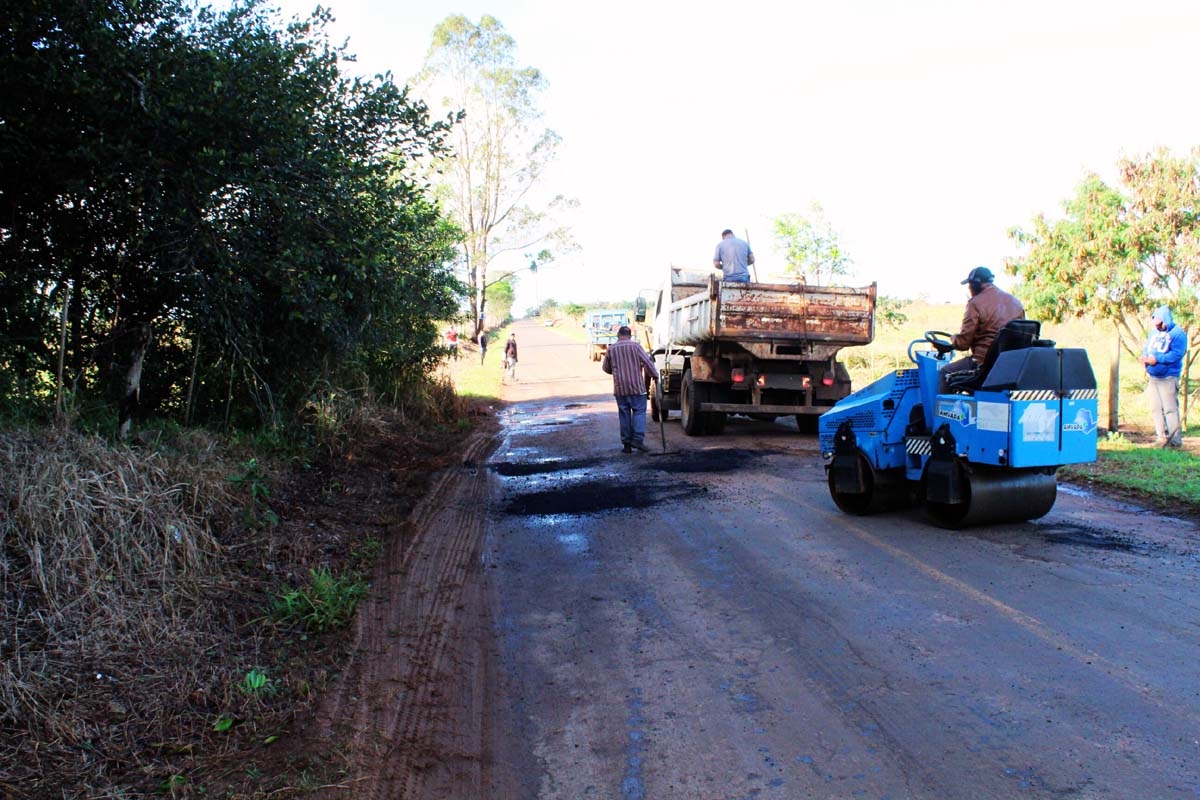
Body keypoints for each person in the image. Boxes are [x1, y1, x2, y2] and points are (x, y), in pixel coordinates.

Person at [940, 266, 1025, 390]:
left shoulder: (975, 303)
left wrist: (953, 339)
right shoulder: (1015, 302)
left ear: (975, 284)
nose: (969, 288)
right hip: (1008, 365)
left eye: (969, 285)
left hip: (983, 364)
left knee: (945, 373)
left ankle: (939, 403)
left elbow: (963, 343)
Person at [601, 325, 660, 453]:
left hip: (620, 389)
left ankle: (626, 445)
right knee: (639, 412)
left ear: (618, 335)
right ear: (630, 335)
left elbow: (605, 368)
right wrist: (655, 375)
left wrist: (616, 371)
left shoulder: (611, 349)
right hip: (637, 388)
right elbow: (647, 362)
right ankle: (637, 440)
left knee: (624, 414)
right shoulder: (636, 346)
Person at [1139, 305, 1187, 448]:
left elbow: (1176, 354)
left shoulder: (1177, 334)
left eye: (1160, 324)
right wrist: (1145, 358)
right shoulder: (1154, 332)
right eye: (1155, 324)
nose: (1158, 327)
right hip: (1154, 376)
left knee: (1170, 409)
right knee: (1156, 408)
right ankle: (1161, 437)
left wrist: (1158, 359)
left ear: (1166, 320)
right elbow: (1147, 347)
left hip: (1168, 376)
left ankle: (1175, 441)